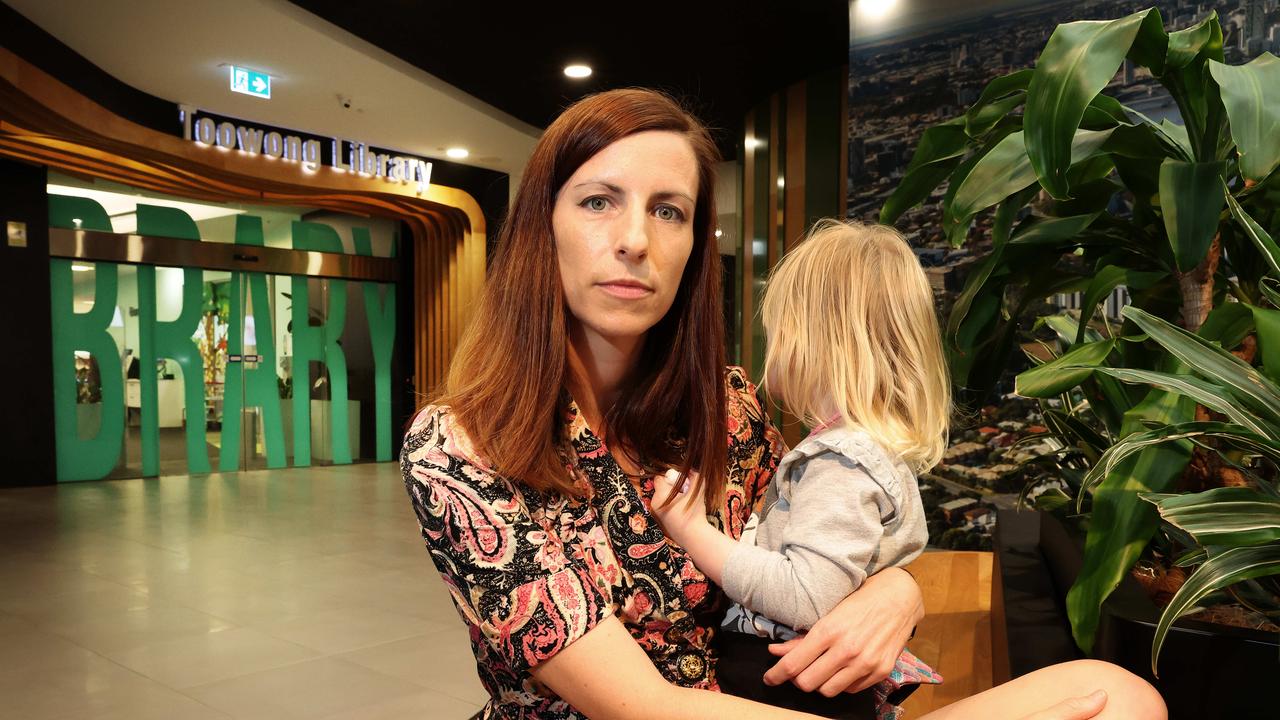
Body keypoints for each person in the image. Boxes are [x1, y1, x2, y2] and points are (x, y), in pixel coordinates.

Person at [401, 88, 1167, 720]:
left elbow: (829, 540)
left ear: (697, 245)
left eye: (669, 211)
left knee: (1118, 699)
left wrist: (898, 591)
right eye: (599, 201)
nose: (635, 238)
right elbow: (635, 705)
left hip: (774, 700)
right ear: (545, 227)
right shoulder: (461, 445)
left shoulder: (730, 406)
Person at [650, 220, 949, 719]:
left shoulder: (841, 461)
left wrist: (689, 530)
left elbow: (804, 594)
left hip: (784, 681)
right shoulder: (869, 450)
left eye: (779, 330)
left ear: (815, 342)